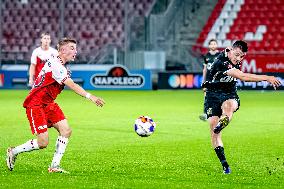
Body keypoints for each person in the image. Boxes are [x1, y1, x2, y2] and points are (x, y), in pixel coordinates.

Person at [6, 37, 105, 173]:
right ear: (62, 50)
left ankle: (54, 166)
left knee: (66, 131)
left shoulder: (58, 62)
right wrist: (90, 96)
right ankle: (13, 151)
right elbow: (72, 85)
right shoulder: (57, 66)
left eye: (75, 48)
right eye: (72, 48)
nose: (75, 51)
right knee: (43, 143)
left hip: (48, 103)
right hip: (36, 104)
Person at [202, 40, 282, 174]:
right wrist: (267, 77)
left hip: (229, 93)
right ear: (232, 51)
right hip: (212, 95)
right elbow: (243, 77)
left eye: (242, 56)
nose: (238, 58)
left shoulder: (232, 53)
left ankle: (225, 120)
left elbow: (232, 53)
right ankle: (225, 165)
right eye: (237, 55)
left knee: (229, 105)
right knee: (214, 132)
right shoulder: (222, 62)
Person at [199, 39, 220, 121]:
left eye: (215, 44)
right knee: (206, 96)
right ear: (209, 46)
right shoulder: (206, 56)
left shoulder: (220, 55)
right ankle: (205, 114)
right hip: (209, 80)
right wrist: (203, 81)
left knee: (218, 97)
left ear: (217, 45)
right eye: (211, 44)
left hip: (218, 80)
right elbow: (205, 69)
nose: (213, 45)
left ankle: (219, 113)